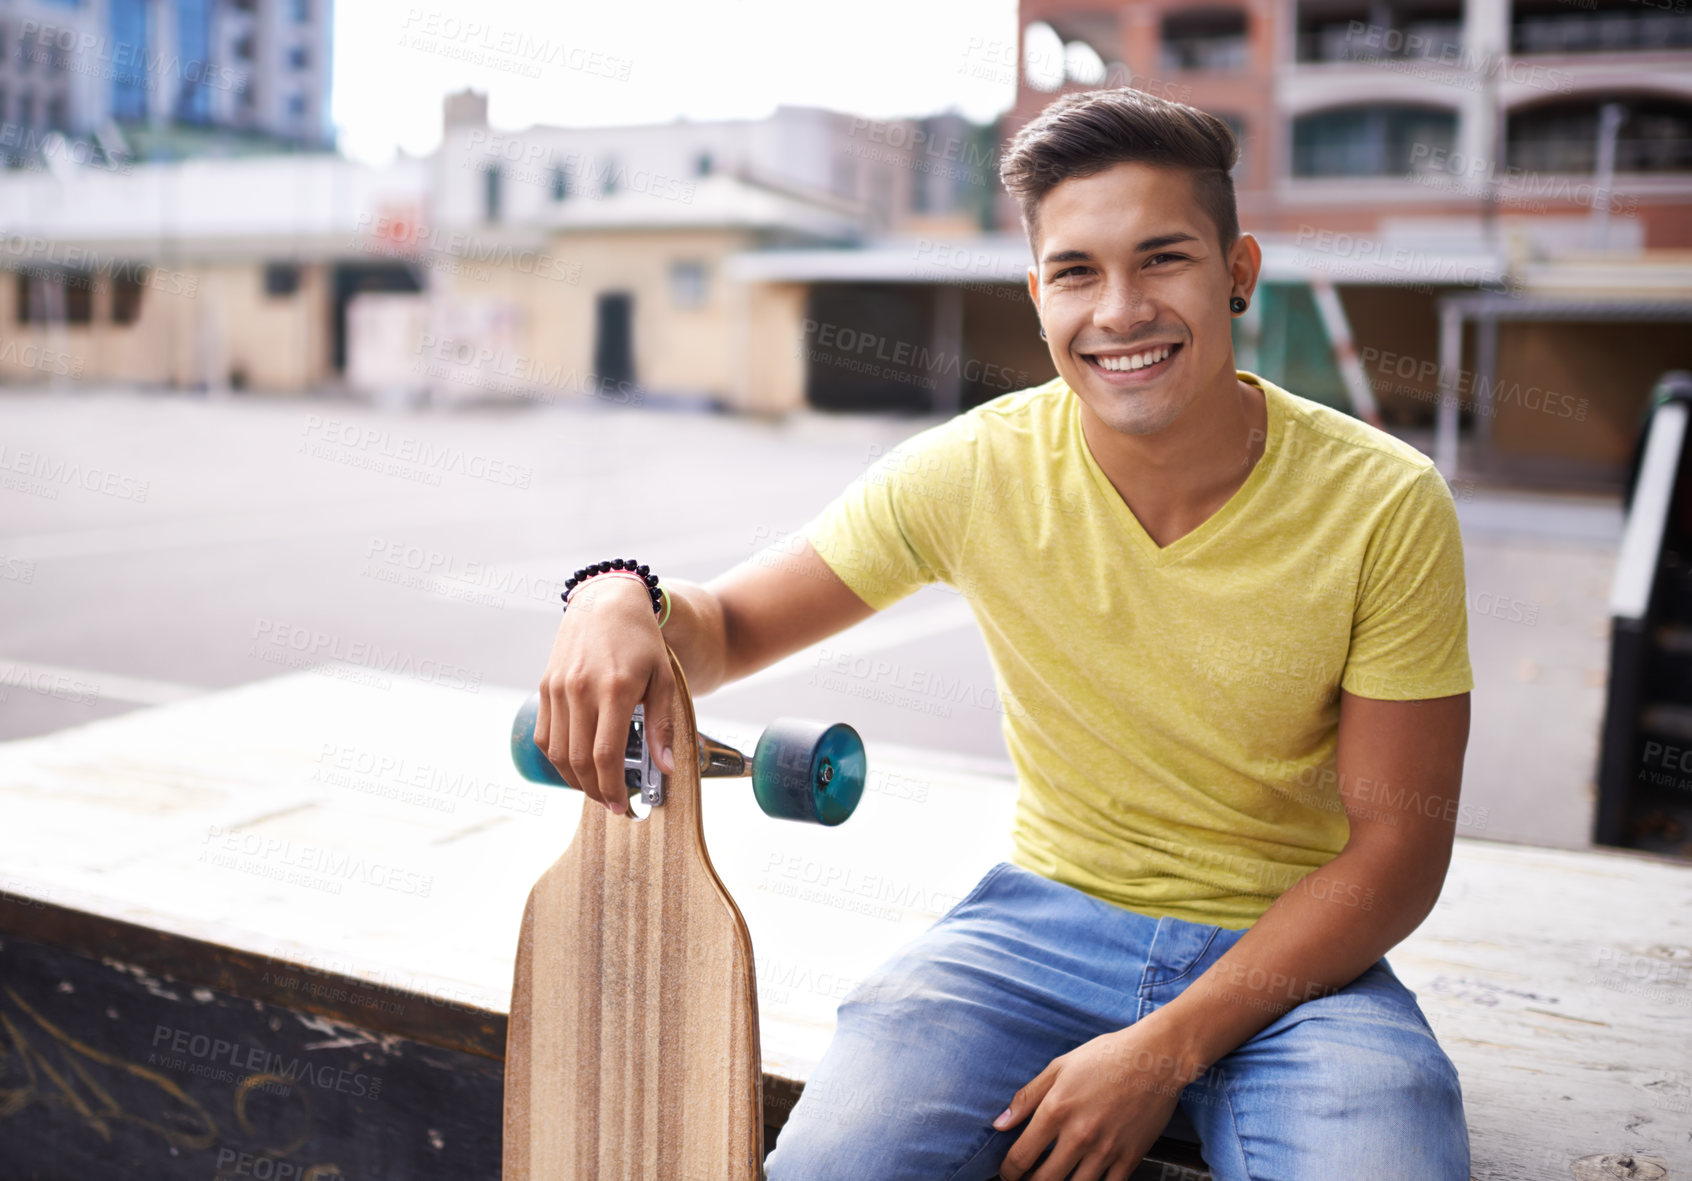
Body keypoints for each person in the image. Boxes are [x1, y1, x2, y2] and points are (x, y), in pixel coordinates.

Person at [536, 86, 1474, 1181]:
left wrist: (1162, 1049)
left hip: (1299, 963)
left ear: (1238, 272)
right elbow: (728, 626)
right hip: (1038, 929)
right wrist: (610, 593)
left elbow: (1398, 850)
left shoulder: (1384, 503)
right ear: (1039, 297)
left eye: (1162, 258)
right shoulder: (976, 468)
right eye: (1077, 272)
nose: (1119, 309)